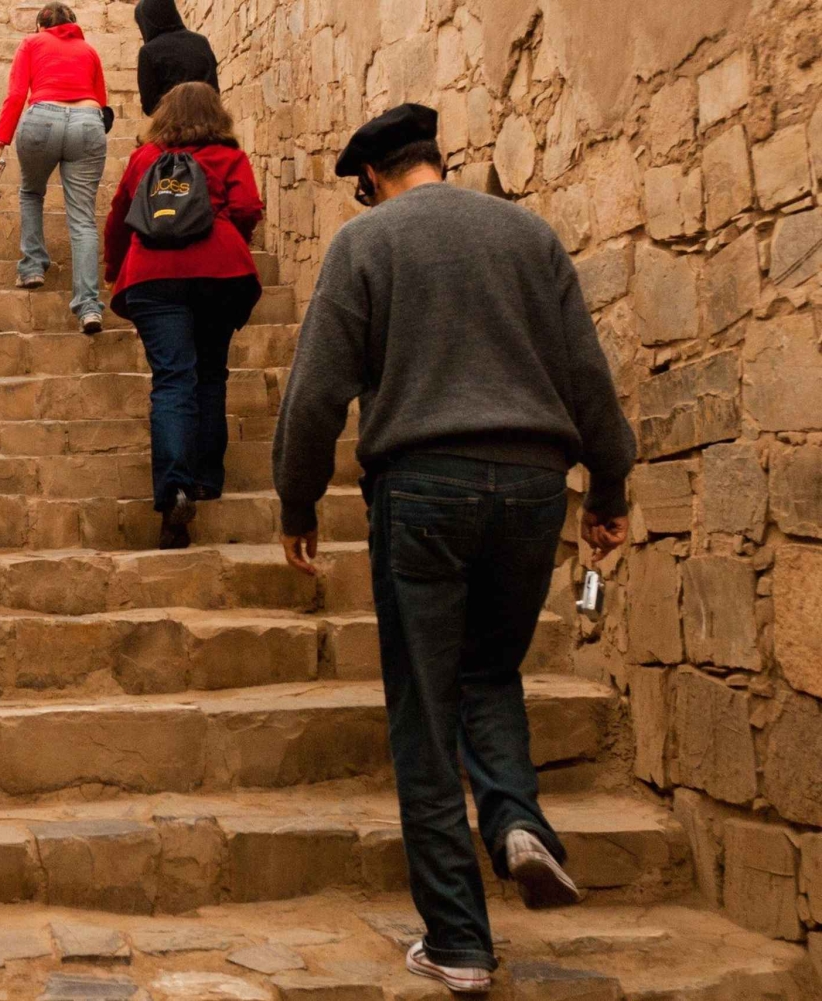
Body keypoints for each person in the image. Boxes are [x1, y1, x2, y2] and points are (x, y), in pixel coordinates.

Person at [271, 104, 636, 995]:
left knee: (425, 712)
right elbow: (587, 374)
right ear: (441, 159)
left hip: (422, 489)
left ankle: (461, 941)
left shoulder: (367, 246)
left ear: (370, 182)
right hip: (532, 486)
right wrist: (611, 489)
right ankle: (516, 824)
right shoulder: (530, 236)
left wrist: (298, 498)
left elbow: (318, 389)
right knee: (490, 671)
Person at [105, 82, 265, 549]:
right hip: (220, 273)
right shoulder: (228, 157)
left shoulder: (143, 159)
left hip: (153, 275)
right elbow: (248, 207)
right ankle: (205, 481)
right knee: (211, 373)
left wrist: (116, 267)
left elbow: (119, 216)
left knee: (173, 379)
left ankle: (173, 489)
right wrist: (228, 236)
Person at [0, 2, 109, 334]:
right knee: (83, 219)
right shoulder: (88, 50)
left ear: (41, 26)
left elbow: (15, 95)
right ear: (72, 23)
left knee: (31, 191)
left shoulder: (32, 43)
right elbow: (103, 102)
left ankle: (32, 268)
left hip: (42, 118)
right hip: (87, 121)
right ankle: (88, 308)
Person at [133, 0, 220, 116]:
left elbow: (149, 105)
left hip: (172, 127)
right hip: (210, 121)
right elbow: (214, 89)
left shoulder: (148, 51)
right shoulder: (201, 41)